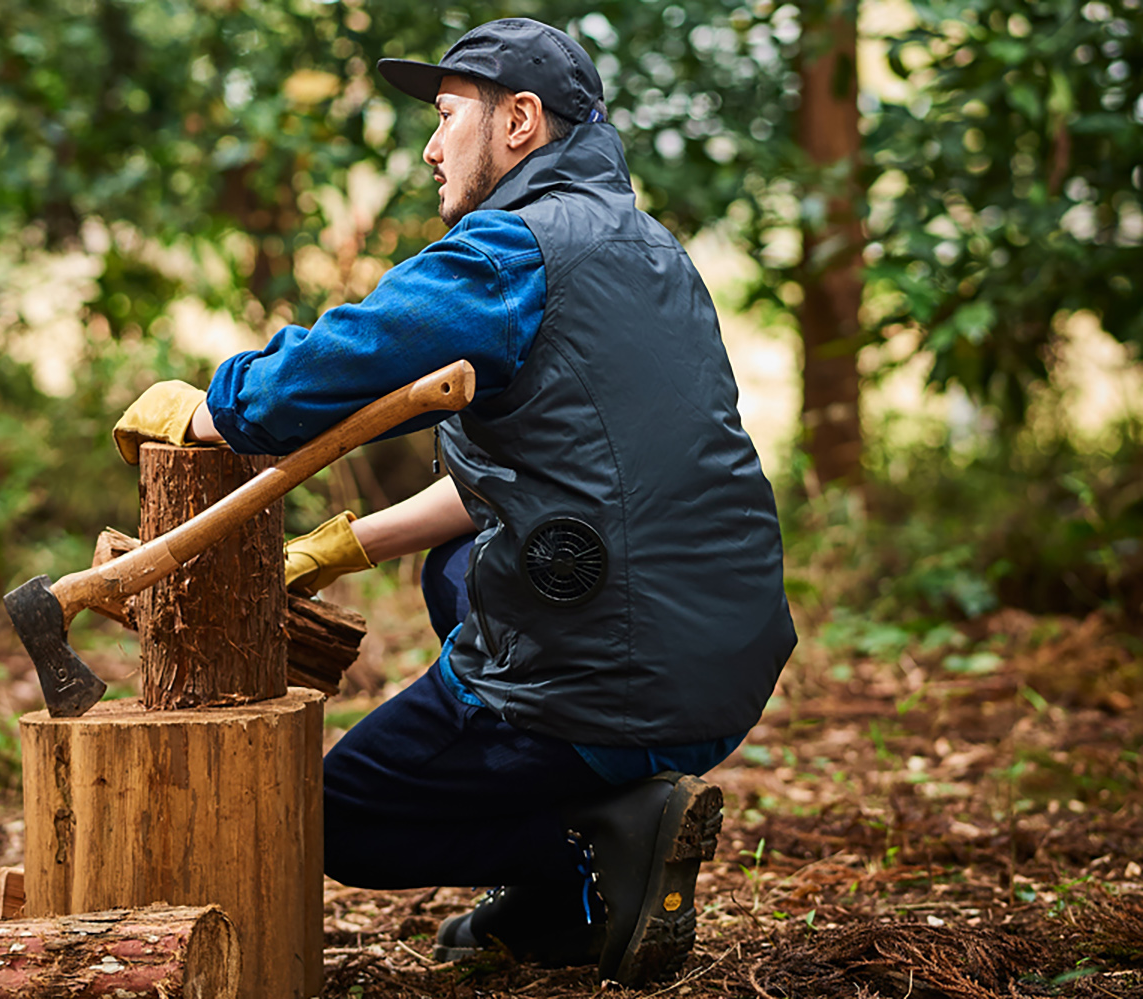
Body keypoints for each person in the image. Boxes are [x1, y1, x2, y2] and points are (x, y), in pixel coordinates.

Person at [112, 17, 796, 987]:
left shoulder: (513, 253)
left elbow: (349, 358)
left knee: (323, 816)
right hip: (724, 657)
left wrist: (218, 410)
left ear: (519, 122)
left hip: (612, 678)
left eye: (445, 117)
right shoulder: (648, 251)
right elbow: (543, 479)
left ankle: (587, 855)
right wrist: (331, 550)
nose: (431, 148)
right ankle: (579, 861)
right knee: (459, 569)